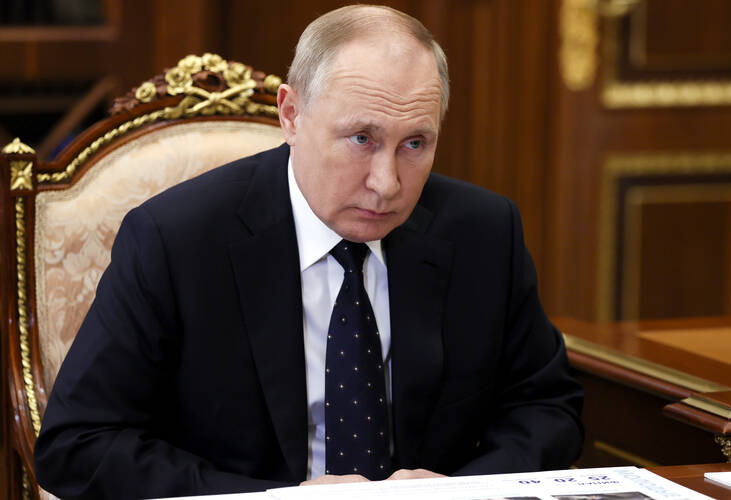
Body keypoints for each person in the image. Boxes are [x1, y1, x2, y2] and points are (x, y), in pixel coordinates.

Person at [34, 5, 583, 499]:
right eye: (361, 139)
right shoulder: (176, 239)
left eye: (415, 143)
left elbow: (549, 409)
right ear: (291, 115)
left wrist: (462, 492)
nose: (387, 183)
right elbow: (78, 445)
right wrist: (282, 499)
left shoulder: (484, 231)